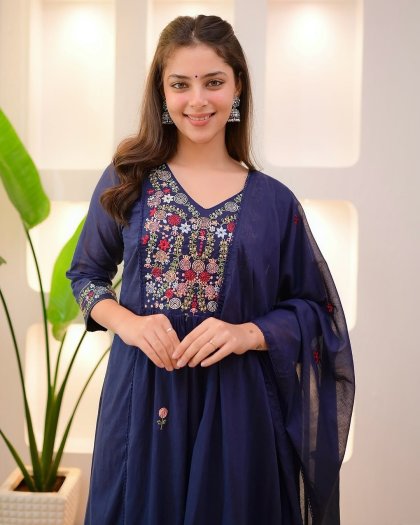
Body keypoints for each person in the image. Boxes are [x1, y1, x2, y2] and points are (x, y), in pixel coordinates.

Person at [67, 14, 355, 525]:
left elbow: (317, 311)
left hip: (239, 412)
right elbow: (85, 277)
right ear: (161, 92)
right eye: (181, 84)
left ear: (237, 86)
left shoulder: (274, 203)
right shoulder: (128, 180)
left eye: (213, 82)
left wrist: (247, 333)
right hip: (142, 405)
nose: (197, 100)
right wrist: (130, 324)